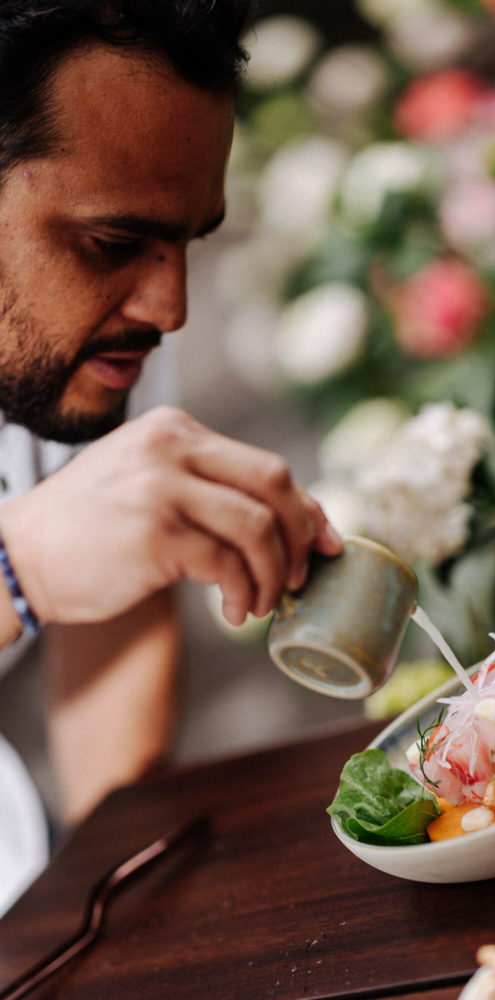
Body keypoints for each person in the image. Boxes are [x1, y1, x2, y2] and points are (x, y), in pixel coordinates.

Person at [0, 0, 343, 910]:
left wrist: (112, 910)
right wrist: (20, 567)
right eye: (113, 244)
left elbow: (111, 600)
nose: (170, 309)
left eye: (188, 240)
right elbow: (47, 568)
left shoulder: (111, 330)